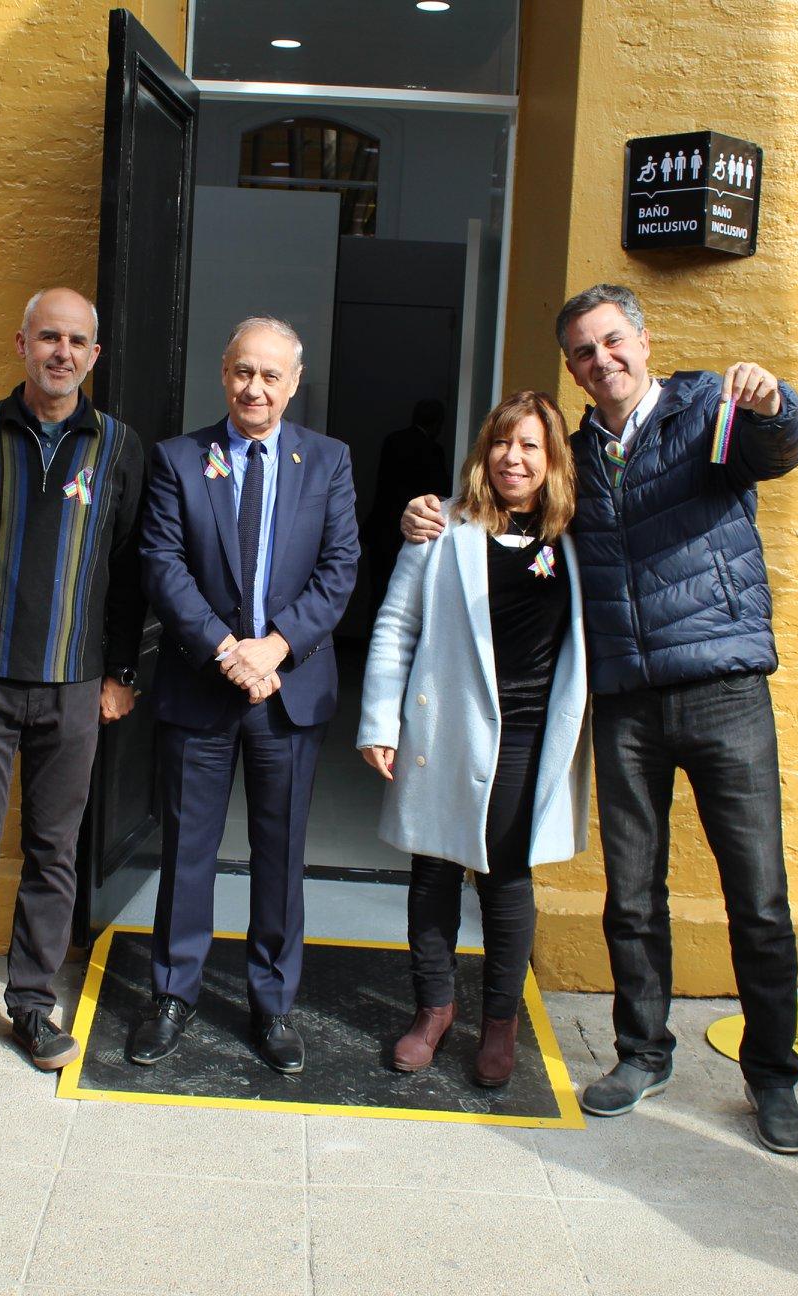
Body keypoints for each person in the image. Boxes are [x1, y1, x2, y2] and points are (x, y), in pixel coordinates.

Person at [402, 283, 798, 1153]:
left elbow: (781, 448)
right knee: (632, 895)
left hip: (723, 686)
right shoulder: (576, 454)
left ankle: (773, 1076)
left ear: (643, 338)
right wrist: (429, 513)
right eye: (585, 352)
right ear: (574, 368)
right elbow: (508, 509)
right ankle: (642, 1052)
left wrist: (775, 404)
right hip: (626, 700)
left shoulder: (708, 408)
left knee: (759, 898)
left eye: (613, 341)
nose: (604, 360)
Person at [129, 316, 358, 1075]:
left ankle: (273, 1003)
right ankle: (173, 993)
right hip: (202, 686)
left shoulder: (327, 461)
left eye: (270, 375)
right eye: (241, 372)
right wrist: (228, 651)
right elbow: (162, 562)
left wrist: (276, 647)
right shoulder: (178, 460)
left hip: (288, 693)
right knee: (188, 849)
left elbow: (340, 569)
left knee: (280, 854)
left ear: (295, 384)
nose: (253, 388)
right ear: (222, 374)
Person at [0, 287, 146, 1076]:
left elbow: (132, 573)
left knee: (55, 850)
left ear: (94, 356)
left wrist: (122, 672)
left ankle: (29, 1002)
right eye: (47, 337)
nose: (62, 352)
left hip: (75, 685)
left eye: (76, 341)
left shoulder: (120, 448)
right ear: (21, 344)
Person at [357, 391, 590, 1087]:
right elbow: (396, 627)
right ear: (483, 452)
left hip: (528, 733)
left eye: (530, 447)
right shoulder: (442, 530)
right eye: (502, 443)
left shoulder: (574, 541)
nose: (513, 458)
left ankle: (500, 1022)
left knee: (506, 877)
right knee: (432, 871)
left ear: (551, 463)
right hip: (446, 728)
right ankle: (432, 1011)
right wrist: (380, 720)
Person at [360, 397, 450, 627]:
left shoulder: (394, 440)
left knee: (379, 593)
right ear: (438, 424)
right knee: (405, 601)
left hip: (382, 530)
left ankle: (370, 643)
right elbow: (440, 494)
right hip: (415, 533)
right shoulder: (432, 450)